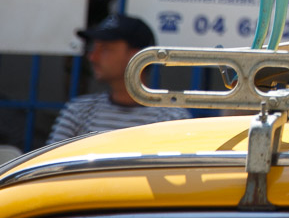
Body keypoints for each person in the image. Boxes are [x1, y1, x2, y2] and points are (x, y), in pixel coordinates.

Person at [44, 14, 190, 145]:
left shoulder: (172, 118)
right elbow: (47, 168)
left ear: (137, 57)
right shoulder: (79, 111)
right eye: (93, 48)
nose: (93, 57)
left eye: (106, 49)